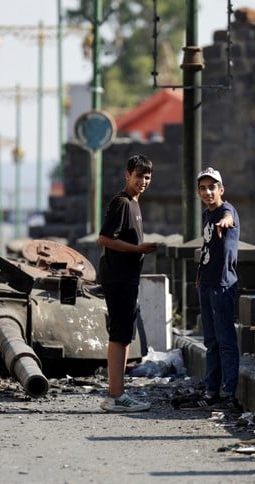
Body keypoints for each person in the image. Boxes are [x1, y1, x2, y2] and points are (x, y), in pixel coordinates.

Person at [97, 154, 158, 413]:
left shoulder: (134, 203)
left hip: (126, 277)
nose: (143, 181)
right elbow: (104, 239)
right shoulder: (122, 203)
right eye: (138, 176)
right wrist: (137, 249)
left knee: (123, 336)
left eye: (146, 177)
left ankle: (117, 393)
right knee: (119, 335)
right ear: (127, 176)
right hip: (119, 277)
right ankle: (115, 396)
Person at [188, 166, 240, 410]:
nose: (207, 192)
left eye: (212, 187)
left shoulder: (226, 210)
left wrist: (225, 222)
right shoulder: (206, 215)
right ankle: (211, 391)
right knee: (211, 341)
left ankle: (228, 393)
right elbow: (207, 248)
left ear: (221, 189)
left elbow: (228, 218)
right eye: (203, 188)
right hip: (207, 284)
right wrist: (199, 275)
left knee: (226, 340)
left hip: (222, 285)